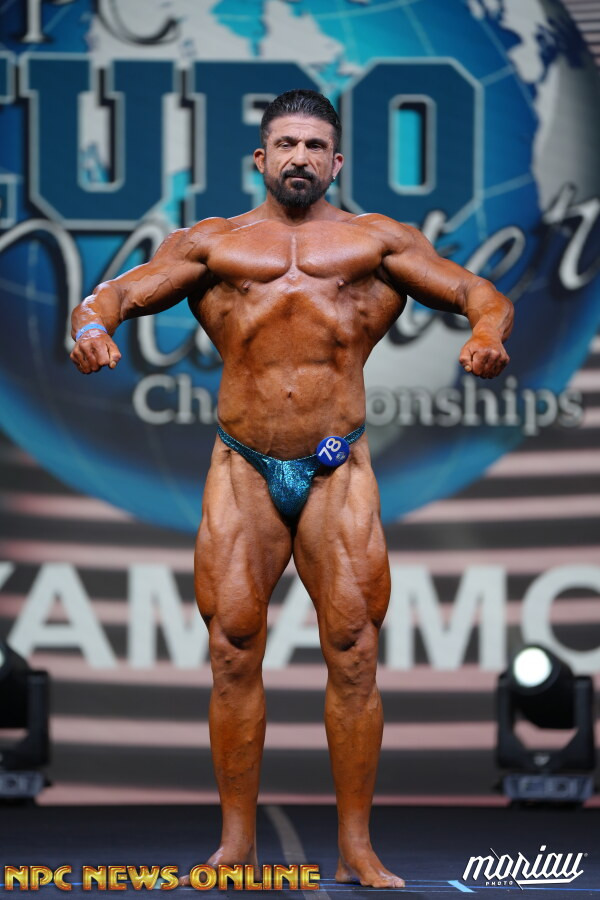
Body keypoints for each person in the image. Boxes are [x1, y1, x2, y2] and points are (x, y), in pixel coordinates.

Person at [70, 89, 513, 889]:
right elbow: (116, 295)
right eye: (286, 144)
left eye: (314, 146)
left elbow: (480, 293)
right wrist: (92, 328)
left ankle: (357, 848)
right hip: (242, 466)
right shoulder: (213, 244)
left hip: (337, 469)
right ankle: (236, 846)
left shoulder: (377, 242)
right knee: (231, 650)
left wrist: (486, 333)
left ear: (335, 162)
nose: (300, 157)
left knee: (356, 652)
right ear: (261, 158)